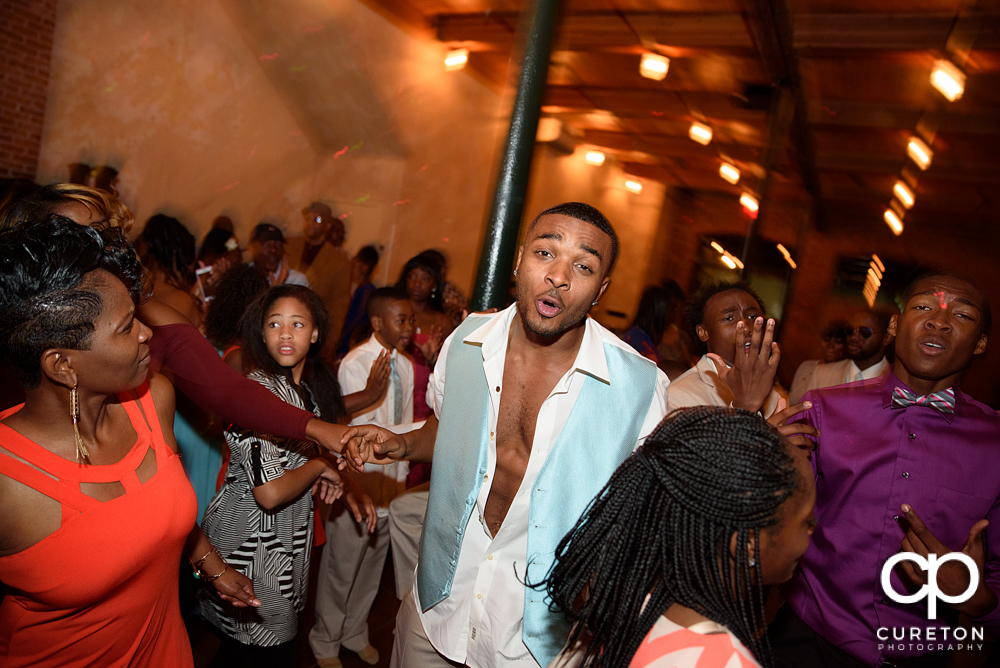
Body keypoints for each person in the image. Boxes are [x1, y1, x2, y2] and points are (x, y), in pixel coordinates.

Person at [342, 202, 671, 668]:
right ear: (519, 260)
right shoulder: (467, 341)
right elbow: (446, 429)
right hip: (438, 605)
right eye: (545, 253)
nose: (558, 275)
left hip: (537, 640)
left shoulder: (639, 388)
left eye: (583, 266)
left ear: (601, 289)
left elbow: (644, 519)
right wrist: (403, 443)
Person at [0, 217, 257, 667]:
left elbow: (156, 511)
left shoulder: (154, 399)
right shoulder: (7, 478)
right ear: (63, 365)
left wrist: (213, 568)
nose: (146, 333)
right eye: (125, 328)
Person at [0, 184, 372, 489]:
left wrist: (322, 431)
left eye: (108, 235)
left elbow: (226, 390)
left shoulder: (155, 320)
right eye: (81, 243)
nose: (107, 250)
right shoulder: (16, 356)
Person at [770, 271, 1000, 667]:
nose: (939, 321)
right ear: (895, 325)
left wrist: (977, 601)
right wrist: (755, 452)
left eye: (962, 316)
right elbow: (765, 524)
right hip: (808, 642)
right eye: (924, 307)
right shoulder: (822, 409)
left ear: (980, 343)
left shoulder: (994, 442)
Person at [543, 407, 816, 668]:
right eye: (806, 521)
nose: (813, 528)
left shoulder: (622, 601)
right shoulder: (724, 662)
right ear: (747, 544)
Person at [200, 285, 370, 667]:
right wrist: (320, 467)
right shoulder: (258, 392)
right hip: (251, 544)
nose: (286, 333)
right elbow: (271, 492)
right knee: (260, 650)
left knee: (247, 649)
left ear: (314, 333)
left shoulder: (303, 392)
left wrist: (324, 471)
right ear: (262, 334)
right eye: (275, 324)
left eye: (297, 323)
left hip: (282, 543)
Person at [311, 288, 418, 668]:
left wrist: (401, 479)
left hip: (390, 486)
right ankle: (325, 637)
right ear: (377, 323)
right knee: (342, 565)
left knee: (372, 566)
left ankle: (354, 631)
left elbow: (403, 429)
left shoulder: (405, 366)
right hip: (360, 482)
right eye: (400, 320)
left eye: (410, 320)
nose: (409, 327)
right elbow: (340, 425)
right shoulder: (356, 363)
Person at [668, 281, 781, 416]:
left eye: (753, 317)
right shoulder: (679, 397)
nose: (746, 327)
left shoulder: (773, 398)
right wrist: (745, 410)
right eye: (728, 318)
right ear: (703, 332)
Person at [789, 310, 893, 403]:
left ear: (887, 338)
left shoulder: (895, 383)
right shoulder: (822, 373)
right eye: (850, 330)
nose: (853, 337)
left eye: (864, 332)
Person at [287, 202, 352, 349]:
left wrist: (330, 341)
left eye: (317, 220)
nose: (310, 223)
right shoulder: (289, 245)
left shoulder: (339, 262)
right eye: (308, 218)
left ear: (327, 226)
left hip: (311, 330)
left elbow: (339, 304)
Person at [623, 285, 690, 380]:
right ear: (658, 310)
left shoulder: (646, 337)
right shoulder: (637, 337)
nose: (672, 314)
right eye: (670, 308)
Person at [787, 320, 849, 402]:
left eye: (838, 342)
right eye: (827, 339)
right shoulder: (807, 367)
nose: (831, 345)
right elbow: (791, 400)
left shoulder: (848, 371)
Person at [336, 244, 380, 357]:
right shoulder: (362, 287)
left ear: (365, 266)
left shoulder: (367, 289)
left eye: (357, 261)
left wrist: (343, 335)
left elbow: (358, 318)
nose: (353, 264)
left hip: (351, 339)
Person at [250, 223, 309, 288]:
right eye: (266, 245)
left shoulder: (296, 281)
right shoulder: (244, 277)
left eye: (278, 245)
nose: (273, 250)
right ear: (252, 247)